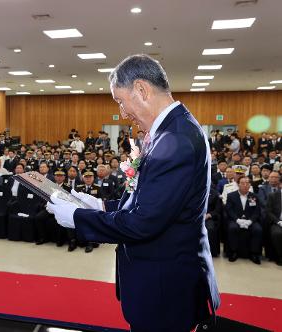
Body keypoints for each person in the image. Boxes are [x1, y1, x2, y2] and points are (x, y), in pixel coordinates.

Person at [47, 54, 220, 331]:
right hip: (159, 276)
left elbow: (144, 221)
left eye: (120, 100)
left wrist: (78, 217)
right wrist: (101, 206)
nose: (123, 112)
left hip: (165, 286)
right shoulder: (168, 131)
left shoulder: (175, 139)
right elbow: (149, 200)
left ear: (141, 89)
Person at [225, 176, 262, 264]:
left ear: (250, 185)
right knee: (232, 228)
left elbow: (256, 212)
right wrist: (237, 220)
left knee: (258, 229)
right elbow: (229, 210)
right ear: (238, 184)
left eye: (247, 183)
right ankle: (233, 252)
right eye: (242, 183)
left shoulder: (253, 196)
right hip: (235, 219)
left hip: (250, 220)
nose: (245, 185)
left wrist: (250, 221)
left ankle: (254, 253)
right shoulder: (231, 195)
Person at [266, 182, 282, 265]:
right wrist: (278, 221)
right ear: (280, 184)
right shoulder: (273, 195)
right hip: (277, 222)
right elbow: (269, 212)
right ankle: (279, 256)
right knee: (277, 233)